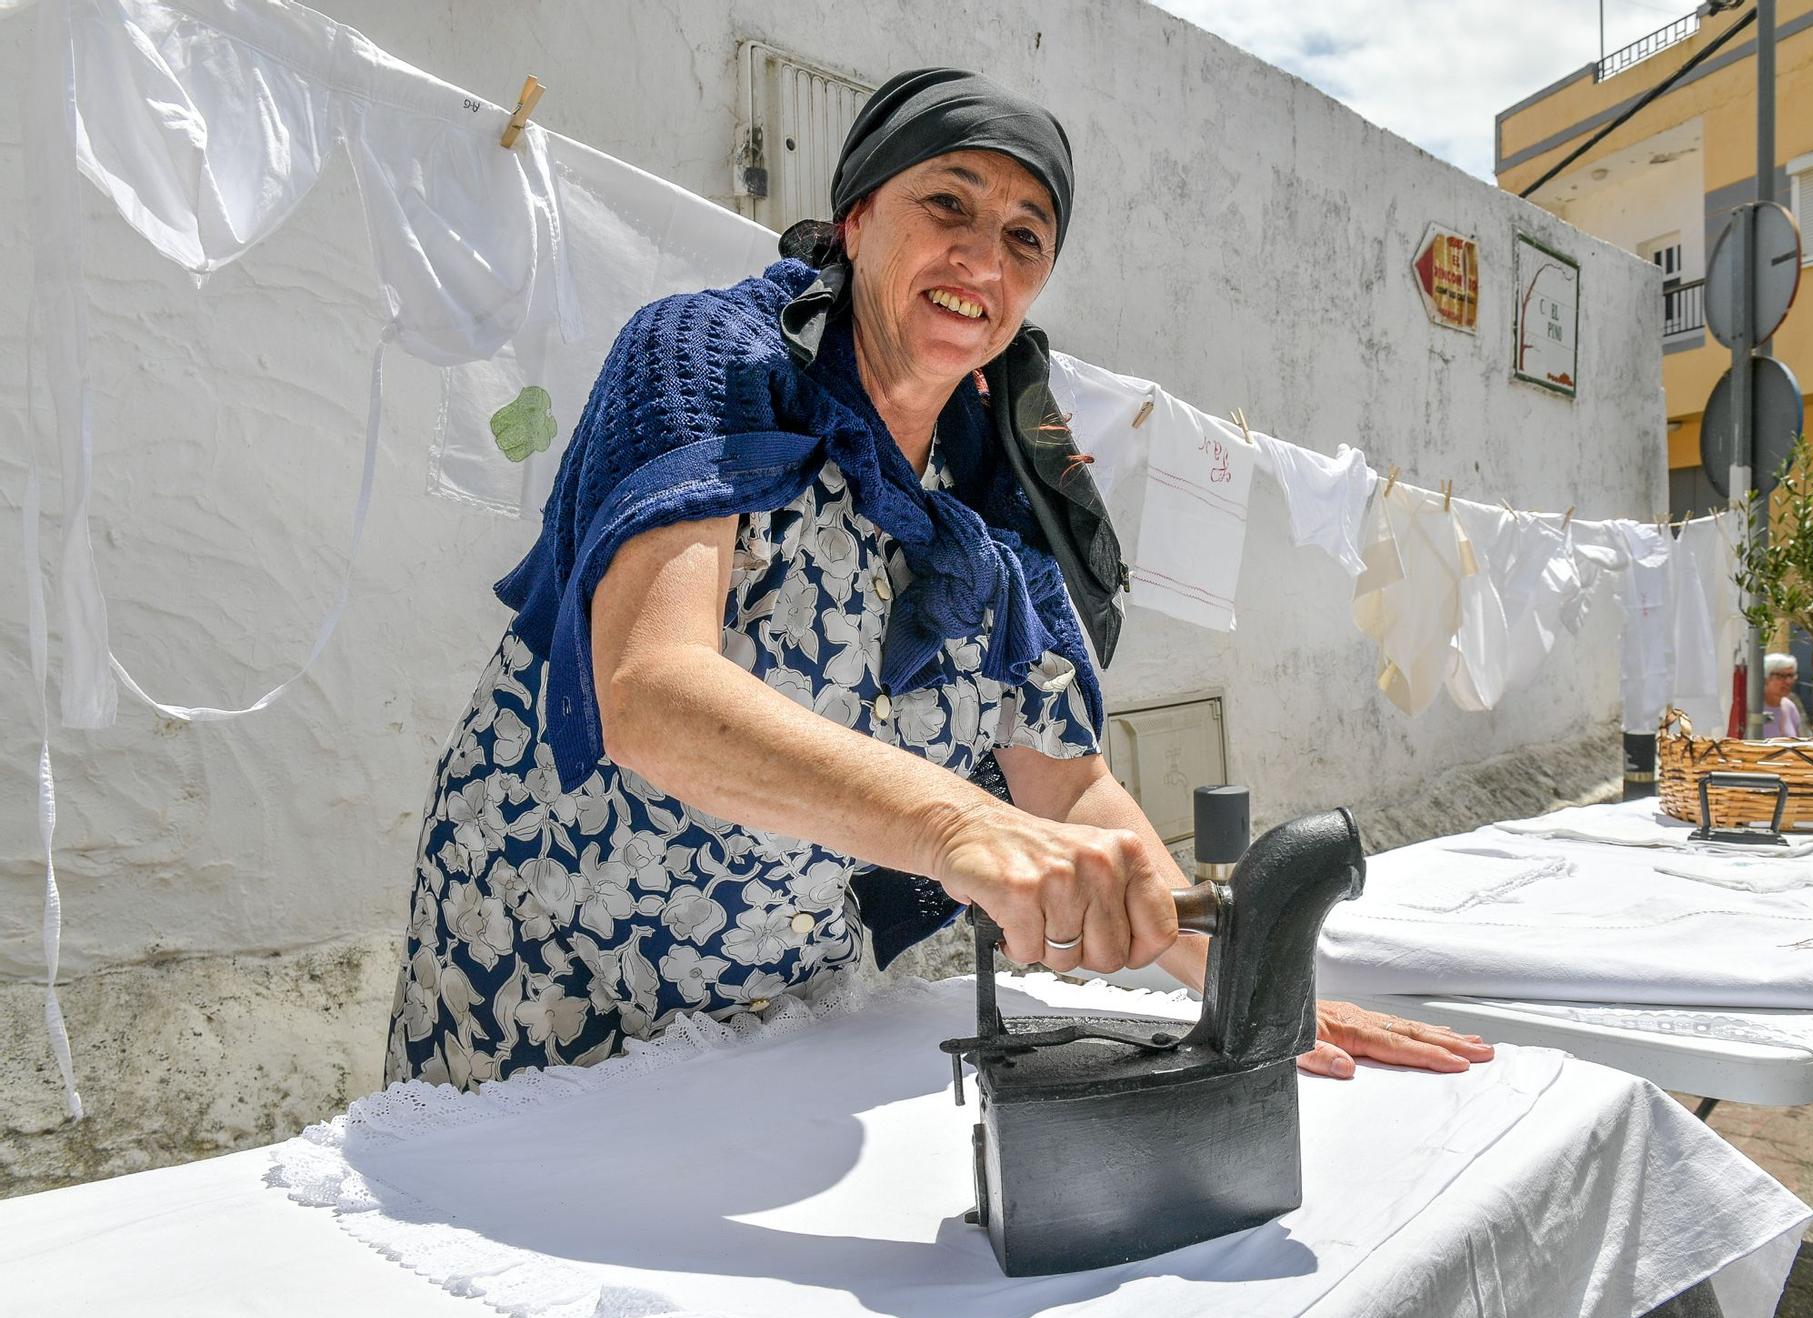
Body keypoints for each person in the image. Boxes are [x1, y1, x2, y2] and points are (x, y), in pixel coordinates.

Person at [385, 68, 1490, 1091]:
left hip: (782, 1013)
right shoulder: (711, 364)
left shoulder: (1000, 500)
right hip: (543, 971)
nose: (983, 260)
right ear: (857, 217)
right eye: (947, 207)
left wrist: (1240, 982)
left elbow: (1066, 785)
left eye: (1024, 236)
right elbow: (647, 690)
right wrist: (959, 827)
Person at [1764, 652, 1806, 738]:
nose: (1788, 681)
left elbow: (1799, 743)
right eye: (1781, 676)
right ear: (1766, 678)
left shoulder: (1790, 707)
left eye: (1791, 675)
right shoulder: (1753, 709)